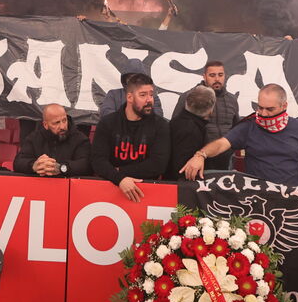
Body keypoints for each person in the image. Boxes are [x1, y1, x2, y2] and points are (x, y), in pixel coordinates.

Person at [181, 84, 298, 188]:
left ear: (284, 106)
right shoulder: (249, 126)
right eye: (260, 108)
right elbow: (222, 143)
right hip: (256, 196)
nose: (263, 113)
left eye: (270, 109)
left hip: (291, 195)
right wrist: (200, 155)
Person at [91, 73, 170, 201]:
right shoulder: (108, 123)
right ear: (130, 97)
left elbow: (158, 164)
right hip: (110, 188)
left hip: (148, 191)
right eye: (143, 95)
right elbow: (98, 160)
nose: (149, 100)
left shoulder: (160, 125)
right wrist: (119, 179)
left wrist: (119, 171)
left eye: (151, 95)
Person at [171, 61, 239, 169]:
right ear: (204, 76)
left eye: (220, 75)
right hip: (198, 157)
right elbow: (176, 127)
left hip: (226, 157)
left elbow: (236, 129)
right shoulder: (189, 96)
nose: (217, 79)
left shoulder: (232, 100)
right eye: (212, 75)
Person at [14, 103, 91, 176]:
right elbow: (18, 162)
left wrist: (62, 168)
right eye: (56, 123)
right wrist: (34, 166)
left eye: (64, 120)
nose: (62, 127)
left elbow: (86, 165)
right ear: (45, 125)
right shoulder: (34, 138)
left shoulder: (80, 139)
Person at [168, 85, 215, 180]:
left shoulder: (177, 121)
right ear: (210, 110)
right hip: (184, 184)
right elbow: (183, 168)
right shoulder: (191, 130)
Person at [99, 59, 163, 117]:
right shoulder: (113, 94)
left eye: (137, 78)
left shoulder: (152, 96)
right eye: (130, 77)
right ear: (125, 79)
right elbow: (106, 112)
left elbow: (158, 114)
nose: (134, 80)